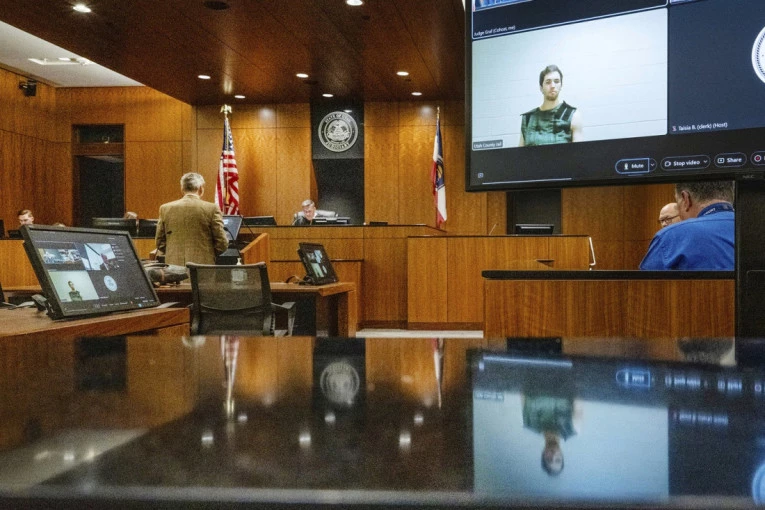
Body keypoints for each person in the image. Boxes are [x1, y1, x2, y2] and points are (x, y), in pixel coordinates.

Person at [640, 181, 734, 270]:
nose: (664, 224)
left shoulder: (670, 237)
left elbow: (645, 281)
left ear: (686, 199)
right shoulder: (742, 225)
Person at [155, 172, 228, 266]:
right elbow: (221, 242)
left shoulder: (165, 208)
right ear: (200, 188)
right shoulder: (212, 208)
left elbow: (159, 242)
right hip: (203, 266)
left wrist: (174, 253)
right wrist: (209, 253)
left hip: (173, 265)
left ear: (182, 189)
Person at [519, 65, 583, 147]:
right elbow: (520, 153)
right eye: (548, 82)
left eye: (556, 81)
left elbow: (579, 152)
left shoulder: (573, 115)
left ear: (561, 85)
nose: (552, 86)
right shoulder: (528, 119)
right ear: (541, 88)